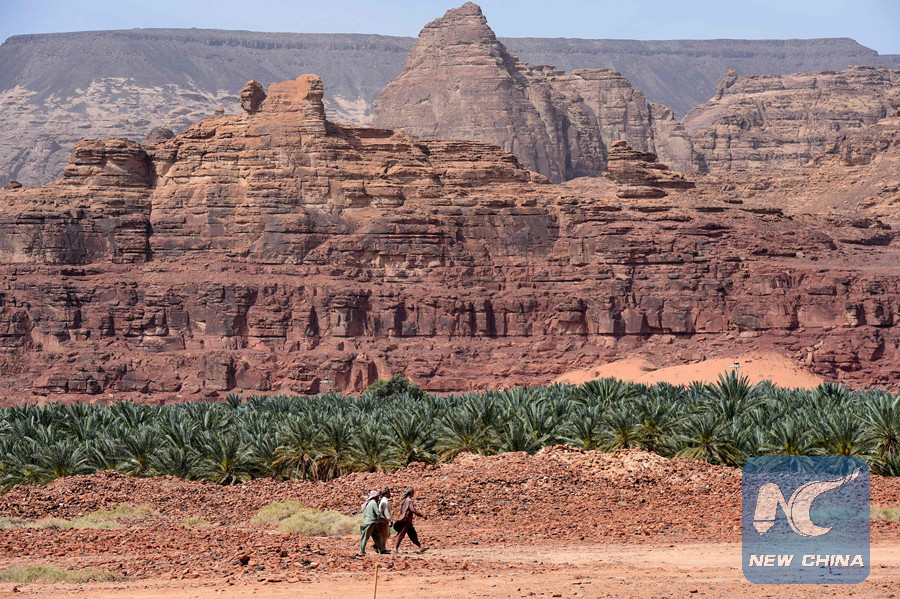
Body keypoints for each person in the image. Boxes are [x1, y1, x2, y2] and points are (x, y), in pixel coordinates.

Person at [393, 487, 427, 554]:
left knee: (412, 533)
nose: (414, 493)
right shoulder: (409, 500)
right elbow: (413, 510)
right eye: (413, 492)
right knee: (401, 533)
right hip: (406, 520)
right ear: (411, 493)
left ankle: (420, 547)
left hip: (407, 520)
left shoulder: (405, 500)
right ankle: (395, 549)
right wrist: (421, 515)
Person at [359, 490, 389, 555]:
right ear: (374, 496)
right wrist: (384, 519)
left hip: (372, 522)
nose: (378, 497)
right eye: (377, 496)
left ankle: (382, 550)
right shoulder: (373, 503)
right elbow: (378, 513)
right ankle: (362, 551)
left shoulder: (369, 503)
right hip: (371, 522)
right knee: (365, 536)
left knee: (377, 536)